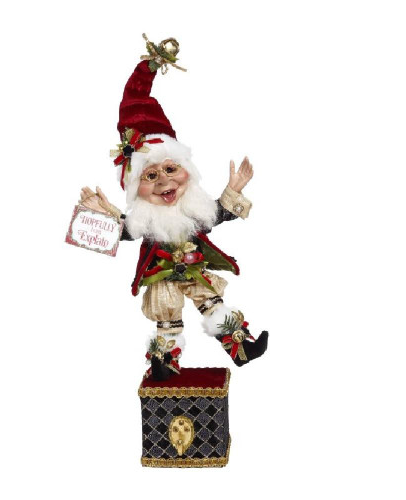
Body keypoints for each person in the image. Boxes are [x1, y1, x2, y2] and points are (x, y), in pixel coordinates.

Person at [79, 37, 268, 380]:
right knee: (166, 318)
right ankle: (164, 365)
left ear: (185, 170)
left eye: (170, 169)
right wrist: (104, 213)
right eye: (150, 176)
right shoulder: (145, 220)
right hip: (161, 274)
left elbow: (217, 213)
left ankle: (241, 348)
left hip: (195, 266)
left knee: (214, 303)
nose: (165, 182)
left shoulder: (192, 210)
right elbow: (125, 231)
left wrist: (233, 191)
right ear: (136, 187)